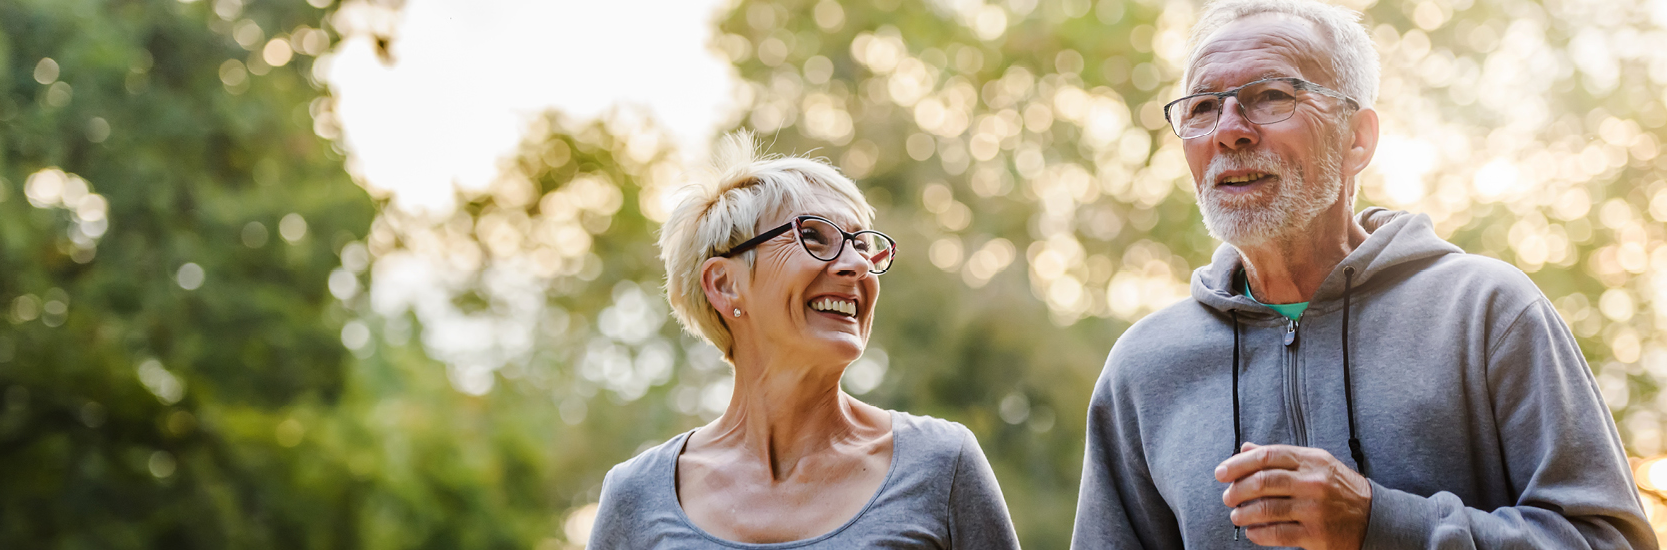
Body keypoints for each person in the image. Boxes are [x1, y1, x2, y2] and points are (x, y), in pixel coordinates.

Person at [1071, 1, 1655, 548]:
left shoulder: (1487, 312)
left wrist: (1380, 524)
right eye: (1202, 107)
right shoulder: (1144, 369)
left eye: (1272, 96)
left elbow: (1612, 540)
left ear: (1357, 139)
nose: (1229, 130)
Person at [586, 132, 1021, 549]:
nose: (857, 265)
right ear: (724, 284)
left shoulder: (941, 465)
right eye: (813, 235)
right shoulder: (636, 496)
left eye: (861, 245)